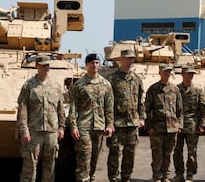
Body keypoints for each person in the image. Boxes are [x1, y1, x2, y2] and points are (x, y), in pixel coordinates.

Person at [17, 54, 66, 182]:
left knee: (49, 169)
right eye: (43, 65)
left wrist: (61, 127)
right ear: (36, 66)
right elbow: (22, 110)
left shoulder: (56, 86)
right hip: (34, 132)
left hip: (51, 132)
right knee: (29, 169)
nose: (46, 67)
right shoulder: (29, 86)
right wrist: (24, 131)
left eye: (47, 65)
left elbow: (60, 108)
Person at [69, 53, 114, 182]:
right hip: (84, 127)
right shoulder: (79, 85)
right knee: (84, 159)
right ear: (86, 65)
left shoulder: (106, 84)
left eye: (96, 63)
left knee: (94, 159)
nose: (95, 65)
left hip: (99, 127)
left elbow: (109, 107)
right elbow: (73, 107)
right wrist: (73, 126)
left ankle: (91, 178)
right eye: (92, 63)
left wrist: (110, 125)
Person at [106, 49, 146, 182]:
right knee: (114, 152)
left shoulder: (137, 79)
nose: (130, 61)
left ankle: (126, 178)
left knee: (130, 153)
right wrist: (109, 122)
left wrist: (141, 117)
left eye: (132, 59)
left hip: (132, 123)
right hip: (117, 123)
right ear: (121, 60)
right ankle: (113, 178)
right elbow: (107, 103)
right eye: (128, 58)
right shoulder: (112, 79)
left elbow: (140, 100)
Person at [145, 63, 183, 182]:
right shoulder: (153, 89)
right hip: (157, 128)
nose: (167, 73)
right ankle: (157, 176)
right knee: (157, 154)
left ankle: (165, 176)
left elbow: (180, 110)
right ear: (160, 73)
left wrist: (179, 125)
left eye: (169, 71)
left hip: (172, 128)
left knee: (168, 154)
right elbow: (147, 109)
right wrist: (149, 126)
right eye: (165, 71)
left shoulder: (175, 89)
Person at [171, 66, 205, 182]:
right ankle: (179, 174)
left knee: (192, 151)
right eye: (188, 73)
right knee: (177, 150)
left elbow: (204, 108)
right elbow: (173, 108)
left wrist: (203, 124)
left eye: (192, 73)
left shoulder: (198, 89)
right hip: (178, 125)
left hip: (193, 124)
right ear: (182, 74)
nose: (190, 75)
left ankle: (190, 174)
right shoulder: (176, 89)